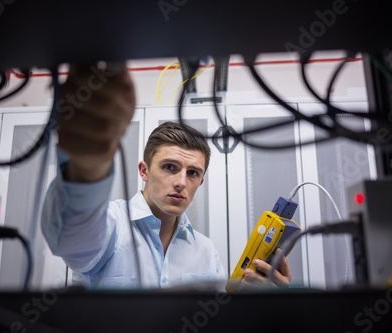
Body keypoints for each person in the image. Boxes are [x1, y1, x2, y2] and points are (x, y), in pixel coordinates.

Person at [41, 63, 292, 290]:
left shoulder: (205, 252)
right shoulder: (110, 226)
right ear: (144, 170)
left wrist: (263, 305)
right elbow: (70, 239)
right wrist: (86, 160)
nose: (182, 182)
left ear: (200, 182)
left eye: (193, 173)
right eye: (170, 167)